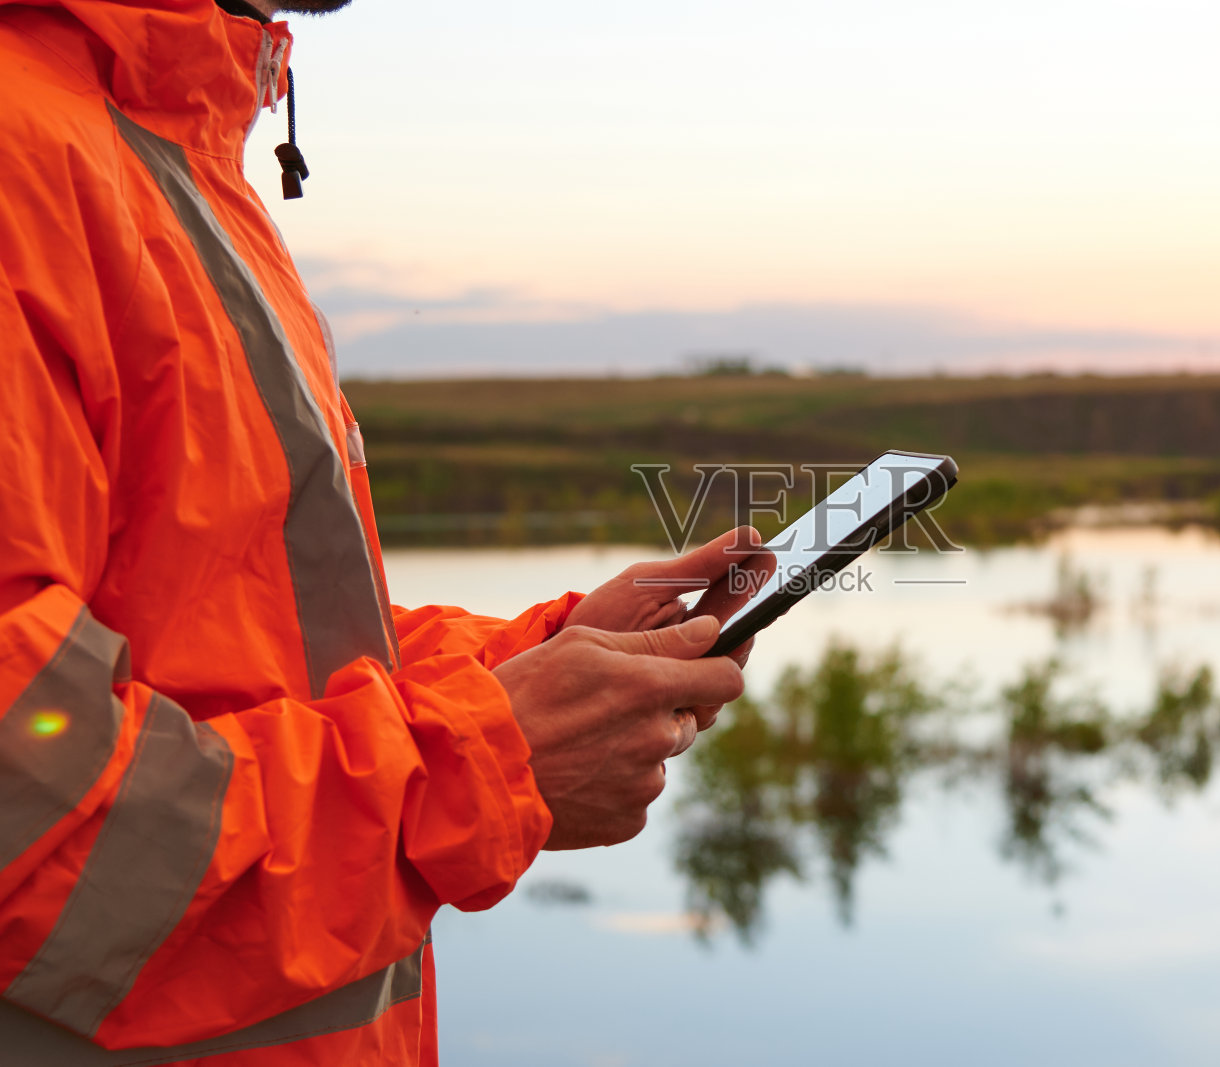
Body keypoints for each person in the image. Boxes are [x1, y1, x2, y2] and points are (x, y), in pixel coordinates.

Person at [0, 0, 757, 1062]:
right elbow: (23, 796)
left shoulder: (160, 148)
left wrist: (534, 667)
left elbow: (244, 639)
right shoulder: (27, 157)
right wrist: (480, 764)